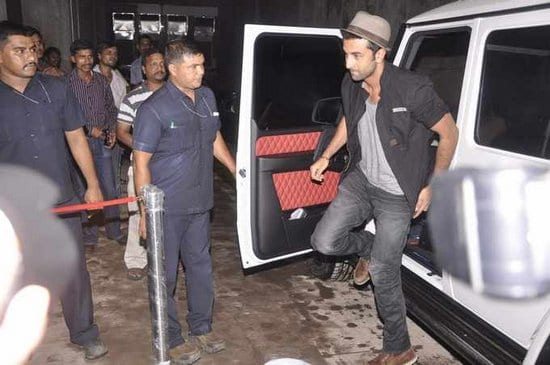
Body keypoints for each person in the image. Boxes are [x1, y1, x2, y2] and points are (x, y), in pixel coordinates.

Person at [309, 11, 459, 365]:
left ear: (380, 54)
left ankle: (399, 348)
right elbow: (349, 118)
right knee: (324, 242)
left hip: (397, 193)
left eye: (356, 55)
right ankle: (368, 247)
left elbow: (449, 133)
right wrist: (327, 155)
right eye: (345, 54)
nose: (348, 64)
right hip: (362, 180)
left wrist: (432, 185)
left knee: (384, 270)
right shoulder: (352, 84)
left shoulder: (412, 88)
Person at [0, 22, 108, 360]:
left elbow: (76, 139)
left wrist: (92, 185)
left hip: (61, 197)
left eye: (31, 49)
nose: (30, 56)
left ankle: (84, 332)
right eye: (19, 51)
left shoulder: (56, 88)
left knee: (74, 269)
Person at [133, 40, 236, 365]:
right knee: (165, 275)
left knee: (201, 267)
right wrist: (145, 212)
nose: (201, 72)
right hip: (167, 207)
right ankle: (171, 337)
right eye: (193, 67)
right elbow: (141, 162)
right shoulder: (154, 108)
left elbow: (213, 136)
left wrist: (234, 170)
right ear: (173, 68)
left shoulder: (206, 97)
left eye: (202, 65)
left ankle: (201, 327)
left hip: (200, 202)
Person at [67, 39, 125, 246]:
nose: (87, 60)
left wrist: (111, 131)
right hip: (78, 145)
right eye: (81, 56)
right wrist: (90, 129)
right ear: (73, 59)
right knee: (84, 189)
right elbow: (66, 116)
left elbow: (111, 108)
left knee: (109, 188)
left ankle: (114, 231)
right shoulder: (66, 84)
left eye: (90, 56)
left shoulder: (101, 81)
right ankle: (90, 236)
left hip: (102, 143)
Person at [116, 48, 166, 280]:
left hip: (171, 165)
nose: (159, 67)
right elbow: (121, 132)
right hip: (141, 164)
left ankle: (167, 257)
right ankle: (136, 259)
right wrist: (143, 147)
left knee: (172, 212)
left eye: (162, 63)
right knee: (138, 210)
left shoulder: (177, 94)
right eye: (153, 64)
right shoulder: (133, 97)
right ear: (144, 69)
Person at [93, 41, 129, 197]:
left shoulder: (118, 77)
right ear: (99, 56)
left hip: (113, 129)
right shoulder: (91, 75)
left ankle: (112, 206)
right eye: (109, 53)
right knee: (97, 173)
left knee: (114, 169)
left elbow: (123, 104)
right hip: (94, 131)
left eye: (115, 53)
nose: (113, 56)